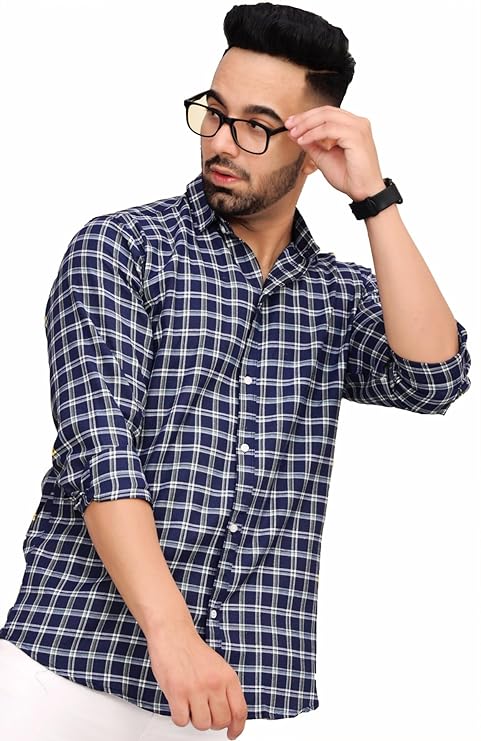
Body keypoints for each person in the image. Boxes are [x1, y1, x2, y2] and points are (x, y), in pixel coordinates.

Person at [0, 3, 472, 741]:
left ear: (312, 148)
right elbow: (101, 453)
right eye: (214, 113)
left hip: (232, 694)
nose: (221, 140)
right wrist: (175, 638)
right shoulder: (123, 248)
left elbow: (433, 377)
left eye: (256, 125)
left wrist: (374, 199)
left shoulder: (336, 296)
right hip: (70, 671)